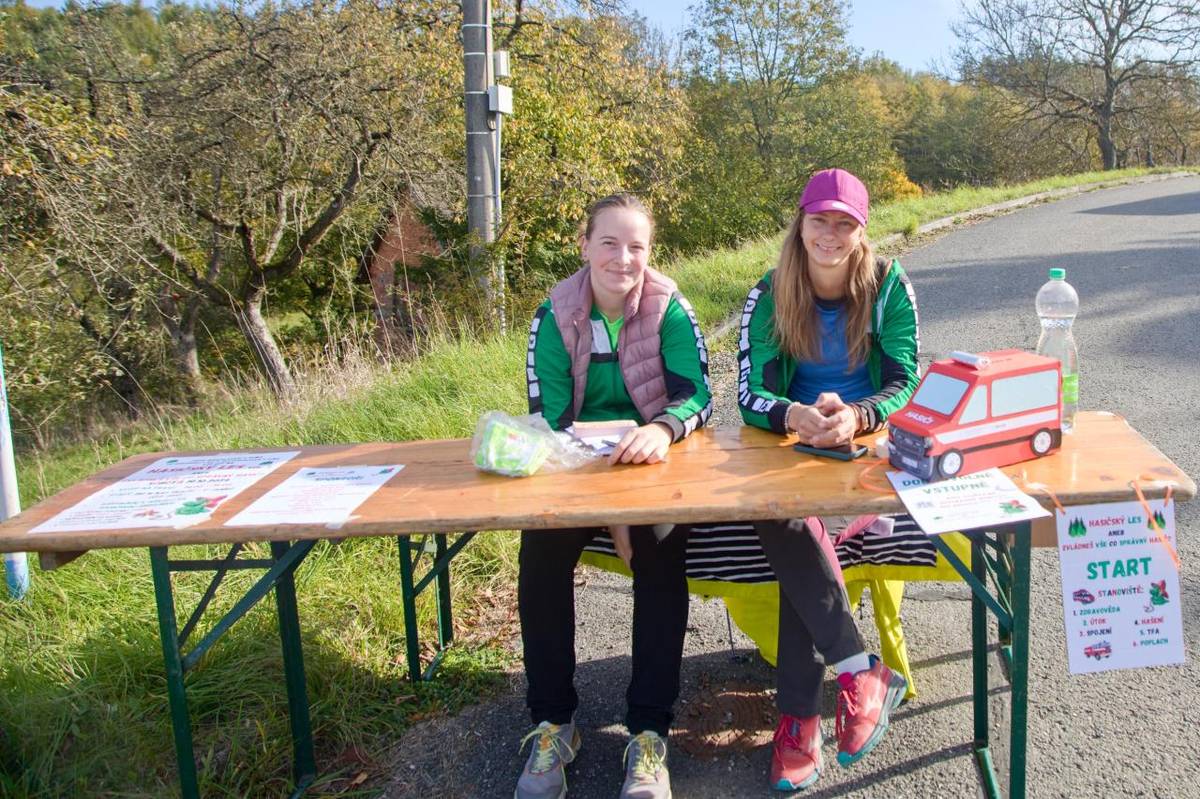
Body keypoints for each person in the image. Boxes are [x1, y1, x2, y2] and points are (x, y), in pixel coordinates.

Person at [516, 192, 712, 799]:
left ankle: (649, 733)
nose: (623, 258)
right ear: (584, 245)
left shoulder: (669, 306)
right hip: (575, 468)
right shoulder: (552, 314)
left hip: (651, 466)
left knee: (659, 558)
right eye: (609, 242)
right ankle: (553, 723)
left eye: (637, 246)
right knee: (540, 554)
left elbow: (698, 396)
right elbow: (546, 417)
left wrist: (658, 429)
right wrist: (607, 511)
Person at [738, 168, 920, 791]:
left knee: (800, 544)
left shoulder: (889, 285)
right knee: (780, 516)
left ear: (861, 230)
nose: (831, 234)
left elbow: (906, 381)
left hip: (868, 453)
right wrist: (792, 413)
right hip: (793, 446)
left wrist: (860, 416)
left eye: (845, 223)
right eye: (821, 220)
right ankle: (857, 668)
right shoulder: (767, 293)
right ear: (801, 222)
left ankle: (797, 721)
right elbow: (749, 393)